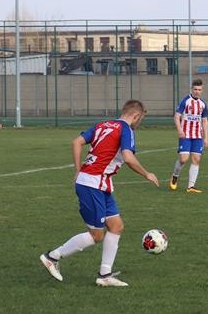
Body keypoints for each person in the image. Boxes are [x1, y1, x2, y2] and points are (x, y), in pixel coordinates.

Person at [39, 99, 159, 287]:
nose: (139, 122)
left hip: (100, 183)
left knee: (116, 226)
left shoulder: (103, 124)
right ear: (136, 116)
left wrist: (78, 169)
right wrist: (147, 174)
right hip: (92, 184)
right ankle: (52, 257)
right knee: (96, 235)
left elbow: (77, 142)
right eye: (140, 119)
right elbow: (128, 158)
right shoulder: (126, 129)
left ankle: (105, 275)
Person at [169, 79, 208, 193]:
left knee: (196, 159)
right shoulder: (185, 101)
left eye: (199, 90)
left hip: (198, 136)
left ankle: (191, 187)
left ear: (202, 90)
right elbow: (176, 117)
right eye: (195, 89)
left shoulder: (203, 104)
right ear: (192, 89)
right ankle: (175, 175)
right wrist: (180, 130)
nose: (197, 91)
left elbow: (205, 121)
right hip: (185, 135)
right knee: (183, 159)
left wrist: (206, 138)